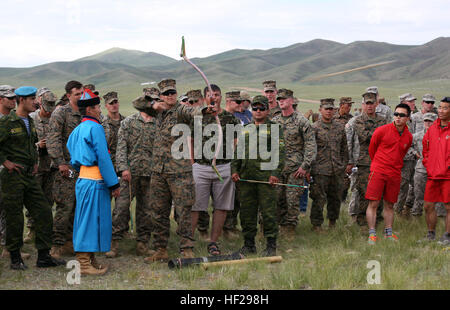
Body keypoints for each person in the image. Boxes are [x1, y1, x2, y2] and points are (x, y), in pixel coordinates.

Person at [132, 78, 215, 262]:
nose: (170, 96)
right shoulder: (157, 111)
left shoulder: (181, 110)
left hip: (179, 171)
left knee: (184, 210)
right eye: (166, 93)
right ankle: (160, 249)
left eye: (173, 93)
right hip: (158, 171)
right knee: (158, 211)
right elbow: (136, 102)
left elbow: (194, 111)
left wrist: (206, 109)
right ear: (161, 96)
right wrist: (153, 105)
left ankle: (186, 248)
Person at [0, 86, 66, 270]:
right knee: (15, 217)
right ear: (21, 100)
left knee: (44, 210)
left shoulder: (30, 121)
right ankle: (15, 257)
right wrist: (5, 162)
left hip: (30, 175)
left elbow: (32, 145)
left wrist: (36, 161)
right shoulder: (7, 122)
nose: (35, 102)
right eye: (31, 99)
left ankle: (44, 256)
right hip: (13, 176)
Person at [67, 88, 120, 275]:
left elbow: (72, 156)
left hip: (83, 179)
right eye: (97, 107)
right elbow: (103, 158)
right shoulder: (96, 127)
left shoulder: (77, 130)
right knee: (89, 221)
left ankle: (89, 258)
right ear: (89, 109)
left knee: (87, 219)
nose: (99, 110)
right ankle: (83, 263)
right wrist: (114, 183)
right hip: (95, 181)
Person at [106, 90, 158, 258]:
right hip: (130, 174)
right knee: (121, 208)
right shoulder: (128, 122)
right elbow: (121, 147)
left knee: (146, 210)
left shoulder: (158, 123)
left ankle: (143, 244)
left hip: (150, 174)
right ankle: (114, 244)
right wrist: (123, 168)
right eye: (150, 102)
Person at [190, 86, 240, 256]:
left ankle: (213, 242)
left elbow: (236, 143)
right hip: (201, 167)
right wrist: (193, 164)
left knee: (222, 206)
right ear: (205, 98)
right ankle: (188, 243)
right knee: (196, 206)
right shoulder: (198, 117)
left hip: (224, 167)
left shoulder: (229, 118)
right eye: (210, 95)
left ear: (220, 97)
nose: (214, 97)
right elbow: (190, 141)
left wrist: (233, 166)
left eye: (217, 95)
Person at [232, 95, 284, 256]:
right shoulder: (245, 128)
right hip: (246, 178)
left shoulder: (274, 128)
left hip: (265, 179)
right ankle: (249, 244)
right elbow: (238, 152)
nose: (258, 111)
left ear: (268, 110)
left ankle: (271, 245)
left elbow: (279, 153)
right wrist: (234, 170)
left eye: (262, 108)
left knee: (268, 213)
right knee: (247, 213)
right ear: (251, 110)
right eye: (255, 108)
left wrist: (275, 173)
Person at [365, 103, 413, 244]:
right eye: (396, 114)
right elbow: (372, 149)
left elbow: (402, 153)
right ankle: (372, 234)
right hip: (379, 170)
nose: (398, 117)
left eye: (402, 115)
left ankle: (389, 233)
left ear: (408, 118)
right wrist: (378, 165)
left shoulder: (408, 137)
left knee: (390, 204)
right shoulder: (381, 130)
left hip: (395, 173)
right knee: (373, 203)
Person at [272, 88, 317, 239]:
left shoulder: (301, 121)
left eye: (284, 98)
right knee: (277, 199)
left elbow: (310, 145)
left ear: (292, 100)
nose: (281, 101)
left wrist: (305, 166)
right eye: (279, 99)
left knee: (292, 200)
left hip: (295, 170)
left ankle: (290, 227)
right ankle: (277, 227)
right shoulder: (275, 121)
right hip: (278, 168)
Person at [47, 80, 84, 258]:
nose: (80, 96)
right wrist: (60, 163)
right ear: (69, 95)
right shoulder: (61, 112)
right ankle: (56, 244)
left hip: (83, 169)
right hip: (65, 168)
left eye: (81, 93)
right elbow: (53, 139)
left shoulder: (85, 112)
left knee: (78, 207)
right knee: (65, 206)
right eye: (77, 94)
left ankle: (69, 242)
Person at [346, 92, 387, 228]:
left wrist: (374, 134)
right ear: (363, 105)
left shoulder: (382, 120)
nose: (369, 106)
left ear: (376, 104)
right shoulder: (358, 120)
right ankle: (362, 221)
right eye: (367, 103)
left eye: (372, 103)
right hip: (364, 162)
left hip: (381, 161)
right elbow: (364, 137)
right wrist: (377, 134)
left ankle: (378, 220)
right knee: (364, 192)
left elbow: (385, 137)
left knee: (379, 192)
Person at [309, 98, 349, 231]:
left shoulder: (339, 127)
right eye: (326, 109)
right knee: (318, 198)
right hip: (320, 170)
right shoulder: (314, 128)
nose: (329, 111)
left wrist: (343, 165)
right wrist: (310, 169)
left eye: (331, 109)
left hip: (337, 169)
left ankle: (332, 222)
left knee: (335, 198)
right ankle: (317, 225)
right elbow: (310, 149)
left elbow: (344, 148)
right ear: (320, 110)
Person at [26, 91, 58, 243]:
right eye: (46, 108)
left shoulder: (55, 119)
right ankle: (32, 229)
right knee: (33, 200)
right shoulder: (31, 119)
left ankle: (45, 230)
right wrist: (39, 145)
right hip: (36, 166)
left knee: (49, 200)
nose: (48, 111)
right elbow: (24, 143)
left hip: (52, 167)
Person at [422, 97, 450, 245]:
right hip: (432, 174)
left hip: (448, 175)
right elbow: (425, 147)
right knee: (428, 205)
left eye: (445, 108)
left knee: (448, 206)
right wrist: (428, 163)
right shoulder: (433, 127)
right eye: (439, 107)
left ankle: (447, 235)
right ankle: (431, 234)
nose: (440, 110)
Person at [410, 113, 443, 217]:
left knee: (438, 197)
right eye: (426, 121)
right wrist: (414, 153)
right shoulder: (417, 136)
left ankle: (440, 219)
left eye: (430, 121)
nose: (428, 123)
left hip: (437, 171)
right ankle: (416, 217)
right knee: (418, 195)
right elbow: (406, 146)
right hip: (421, 170)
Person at [394, 93, 417, 216]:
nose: (413, 104)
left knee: (410, 186)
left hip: (411, 159)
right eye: (410, 102)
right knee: (400, 186)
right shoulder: (398, 119)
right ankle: (395, 211)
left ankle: (404, 210)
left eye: (413, 101)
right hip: (401, 158)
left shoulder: (413, 118)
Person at [334, 97, 354, 203]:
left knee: (346, 179)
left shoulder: (352, 119)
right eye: (348, 105)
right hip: (333, 153)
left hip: (346, 153)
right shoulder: (332, 116)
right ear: (341, 105)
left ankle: (342, 199)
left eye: (351, 105)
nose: (350, 107)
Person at [102, 91, 125, 173]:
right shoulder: (102, 124)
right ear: (106, 106)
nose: (114, 105)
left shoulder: (126, 122)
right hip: (109, 165)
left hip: (124, 164)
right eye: (111, 103)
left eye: (115, 102)